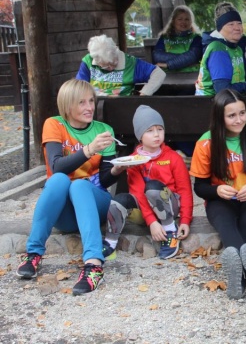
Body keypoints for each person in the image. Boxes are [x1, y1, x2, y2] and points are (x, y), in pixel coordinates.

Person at [16, 79, 127, 295]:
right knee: (58, 179)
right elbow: (57, 166)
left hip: (95, 203)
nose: (89, 107)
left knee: (79, 186)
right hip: (65, 213)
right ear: (67, 106)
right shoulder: (54, 124)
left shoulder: (103, 130)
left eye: (91, 101)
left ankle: (94, 265)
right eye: (82, 102)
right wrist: (89, 149)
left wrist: (116, 170)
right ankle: (33, 254)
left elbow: (105, 181)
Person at [190, 89, 246, 299]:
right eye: (231, 115)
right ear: (219, 117)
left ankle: (239, 278)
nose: (239, 119)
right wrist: (217, 190)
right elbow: (200, 187)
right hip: (220, 200)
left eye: (242, 113)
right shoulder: (205, 143)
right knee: (227, 226)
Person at [104, 105, 193, 260]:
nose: (156, 134)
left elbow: (185, 190)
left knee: (152, 186)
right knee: (118, 200)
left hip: (170, 206)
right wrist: (151, 221)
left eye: (160, 129)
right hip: (145, 209)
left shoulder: (173, 158)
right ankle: (110, 242)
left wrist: (185, 220)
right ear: (140, 136)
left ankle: (170, 231)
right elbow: (138, 192)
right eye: (150, 130)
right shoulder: (133, 160)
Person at [195, 3, 246, 96]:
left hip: (232, 100)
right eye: (231, 24)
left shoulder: (237, 49)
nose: (237, 28)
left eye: (239, 23)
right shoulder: (217, 50)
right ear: (220, 28)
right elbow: (222, 89)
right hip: (210, 102)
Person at [76, 34, 166, 96]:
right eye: (107, 65)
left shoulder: (130, 63)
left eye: (114, 62)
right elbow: (79, 88)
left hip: (122, 108)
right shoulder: (88, 62)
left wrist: (144, 93)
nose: (111, 68)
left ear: (116, 50)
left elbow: (159, 74)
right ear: (96, 60)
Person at [152, 5, 203, 73]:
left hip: (191, 75)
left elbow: (193, 56)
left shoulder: (197, 38)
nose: (183, 22)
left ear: (191, 22)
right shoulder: (164, 37)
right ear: (173, 21)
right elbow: (158, 56)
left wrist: (168, 65)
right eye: (180, 19)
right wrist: (186, 60)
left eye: (187, 19)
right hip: (168, 75)